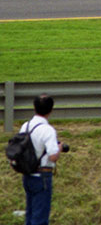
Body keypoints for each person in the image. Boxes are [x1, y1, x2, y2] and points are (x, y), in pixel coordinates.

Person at [20, 94, 63, 225]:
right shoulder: (47, 130)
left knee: (31, 214)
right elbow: (53, 156)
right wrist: (59, 148)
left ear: (34, 108)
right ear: (51, 110)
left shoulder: (25, 126)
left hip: (27, 174)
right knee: (40, 218)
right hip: (42, 176)